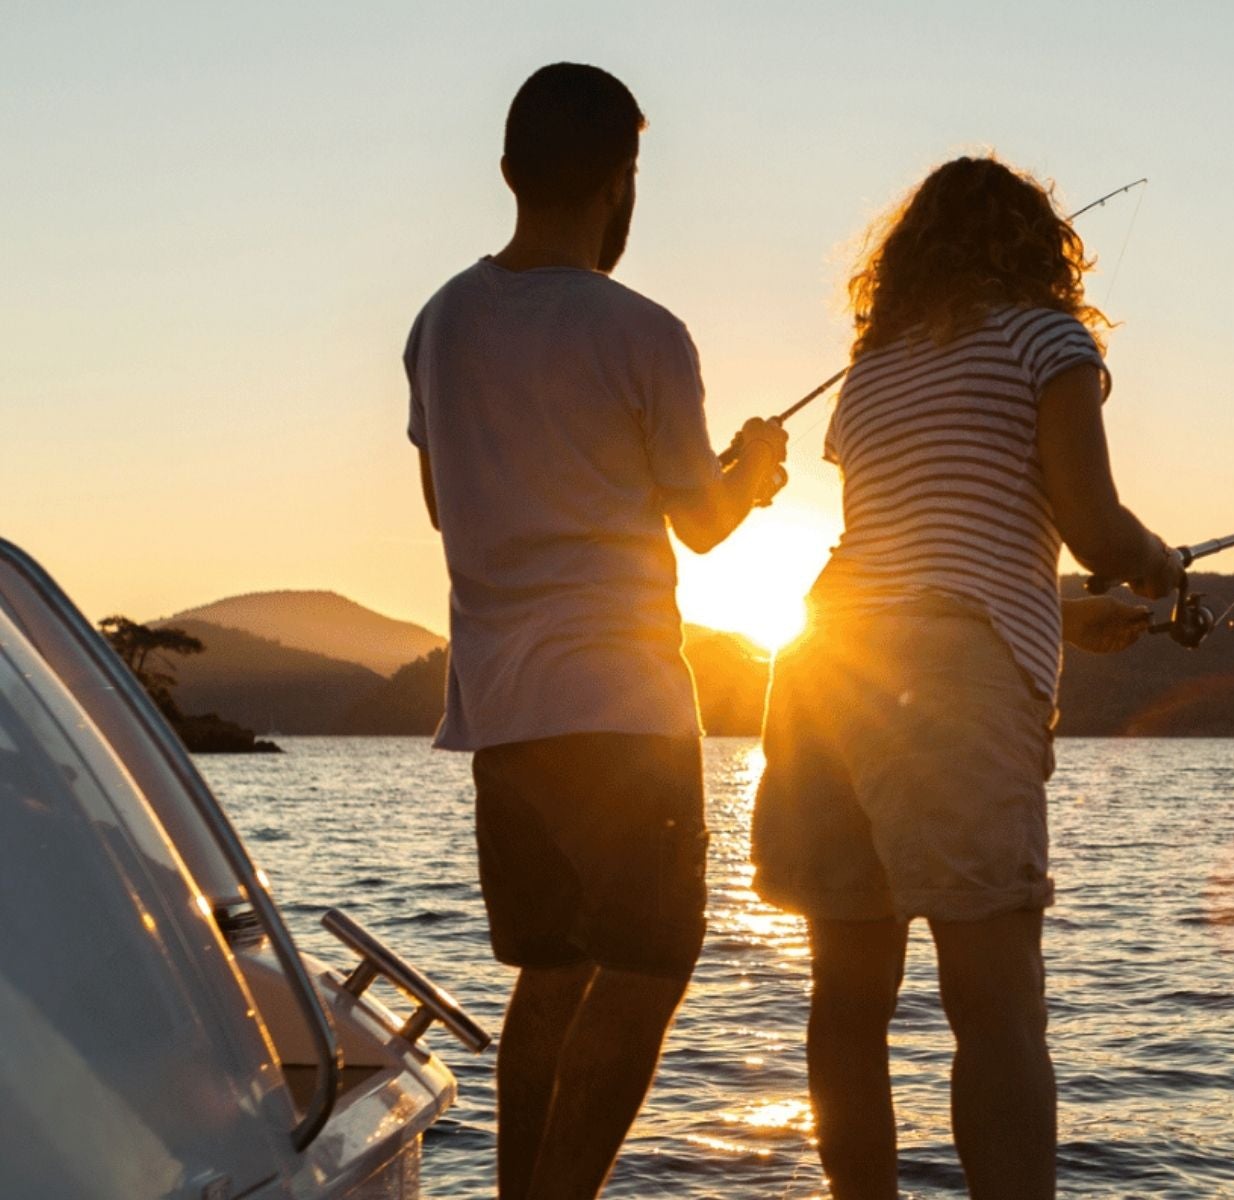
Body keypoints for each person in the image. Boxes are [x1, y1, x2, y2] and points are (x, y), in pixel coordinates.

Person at [749, 155, 1183, 1199]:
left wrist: (1064, 614)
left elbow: (926, 550)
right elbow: (1087, 525)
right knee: (996, 1004)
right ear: (1040, 251)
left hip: (822, 672)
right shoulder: (1048, 338)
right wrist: (1161, 566)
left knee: (847, 1001)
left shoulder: (874, 373)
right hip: (948, 679)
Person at [403, 63, 789, 1200]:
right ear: (624, 180)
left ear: (511, 170)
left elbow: (445, 506)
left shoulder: (440, 322)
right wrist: (755, 474)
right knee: (650, 963)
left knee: (553, 967)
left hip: (503, 718)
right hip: (621, 710)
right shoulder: (645, 333)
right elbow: (708, 526)